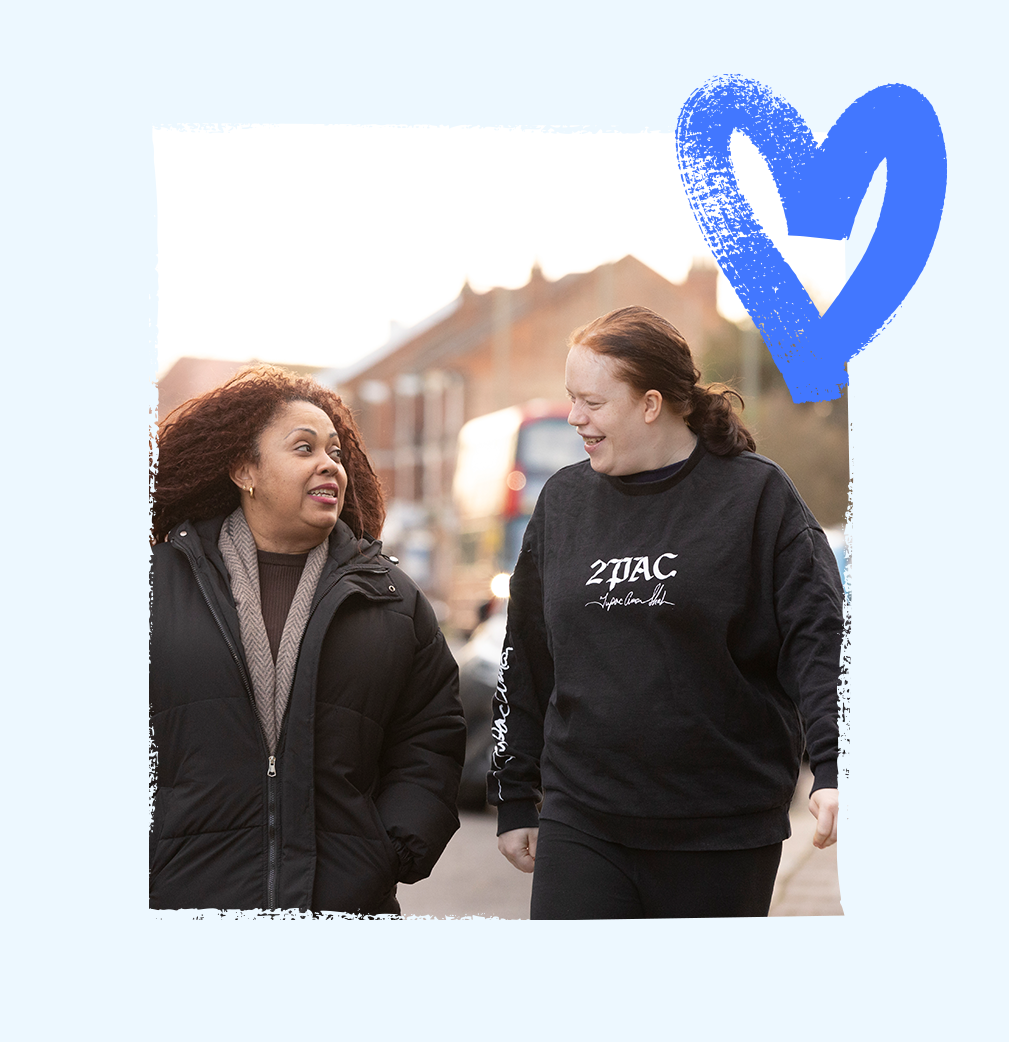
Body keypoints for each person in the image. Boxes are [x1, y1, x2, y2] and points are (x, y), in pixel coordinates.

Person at [489, 306, 843, 919]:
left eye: (592, 402)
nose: (575, 417)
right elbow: (524, 655)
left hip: (721, 830)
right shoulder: (563, 503)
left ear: (651, 404)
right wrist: (515, 792)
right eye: (572, 399)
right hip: (584, 821)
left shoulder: (756, 497)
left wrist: (837, 764)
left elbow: (818, 638)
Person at [150, 365, 466, 915]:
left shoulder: (392, 600)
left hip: (344, 905)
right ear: (245, 469)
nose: (329, 465)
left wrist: (387, 850)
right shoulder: (155, 586)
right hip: (185, 900)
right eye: (304, 448)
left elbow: (430, 735)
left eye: (336, 453)